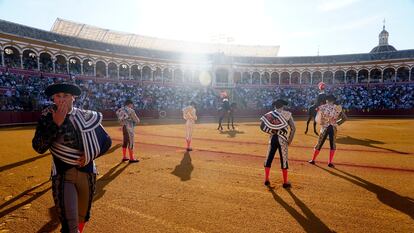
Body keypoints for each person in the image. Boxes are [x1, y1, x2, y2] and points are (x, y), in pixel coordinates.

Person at [32, 82, 111, 233]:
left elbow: (106, 141)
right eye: (58, 96)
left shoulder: (85, 115)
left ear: (73, 98)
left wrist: (90, 155)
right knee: (70, 225)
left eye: (66, 96)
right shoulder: (47, 117)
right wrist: (56, 123)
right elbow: (39, 147)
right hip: (63, 175)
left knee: (83, 216)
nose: (62, 99)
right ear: (53, 99)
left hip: (88, 172)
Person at [260, 99, 296, 188]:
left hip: (272, 139)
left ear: (274, 106)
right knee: (284, 159)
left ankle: (266, 179)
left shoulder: (269, 114)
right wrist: (289, 140)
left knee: (269, 158)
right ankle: (285, 182)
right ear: (283, 106)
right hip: (283, 139)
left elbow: (262, 126)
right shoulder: (287, 114)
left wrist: (271, 131)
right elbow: (293, 128)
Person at [308, 94, 347, 167]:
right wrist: (336, 123)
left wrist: (322, 122)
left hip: (324, 127)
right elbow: (345, 118)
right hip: (333, 127)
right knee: (332, 145)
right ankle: (330, 162)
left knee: (319, 143)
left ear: (326, 100)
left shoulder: (322, 107)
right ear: (333, 100)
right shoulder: (338, 108)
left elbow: (317, 119)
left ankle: (313, 160)